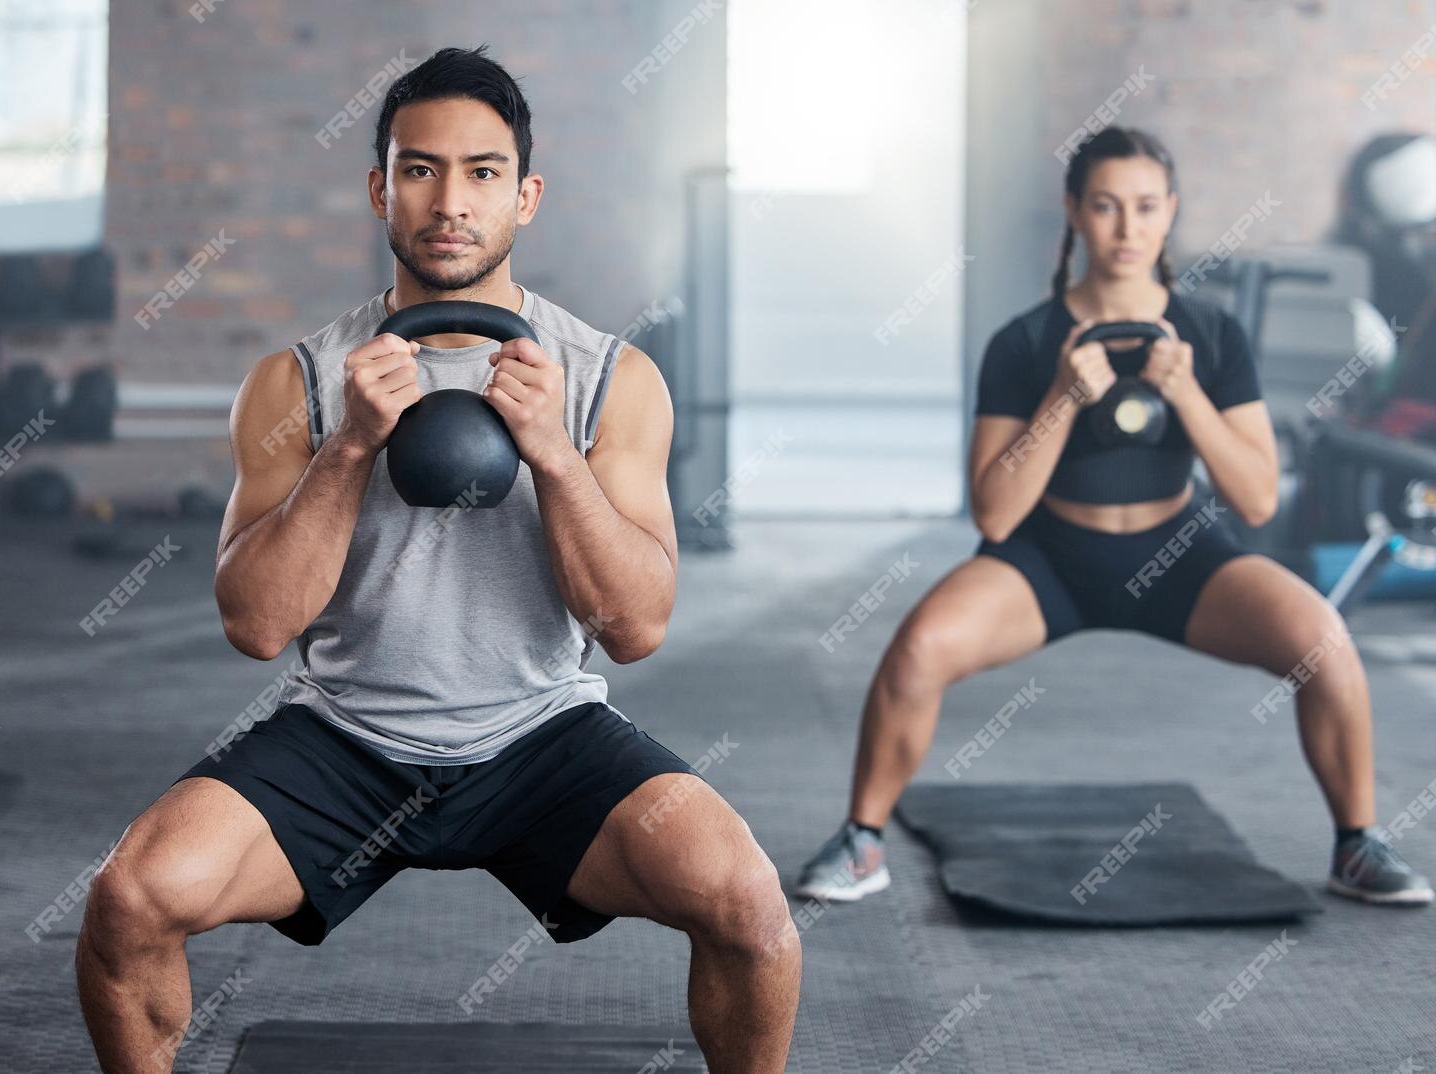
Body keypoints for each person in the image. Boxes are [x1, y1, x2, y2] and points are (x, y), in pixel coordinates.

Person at [76, 47, 800, 1072]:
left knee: (748, 908)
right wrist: (352, 446)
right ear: (379, 188)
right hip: (343, 736)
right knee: (129, 899)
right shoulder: (297, 383)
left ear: (526, 195)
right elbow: (255, 625)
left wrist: (550, 449)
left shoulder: (606, 378)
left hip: (540, 733)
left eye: (482, 172)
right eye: (418, 170)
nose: (449, 201)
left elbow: (635, 629)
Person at [793, 126, 1432, 908]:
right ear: (1074, 212)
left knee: (1323, 643)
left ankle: (1356, 845)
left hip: (1182, 555)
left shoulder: (1211, 335)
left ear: (1169, 213)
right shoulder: (1024, 343)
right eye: (1105, 206)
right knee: (920, 649)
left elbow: (1259, 499)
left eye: (1144, 207)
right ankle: (862, 841)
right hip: (1050, 560)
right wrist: (1063, 395)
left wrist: (1188, 392)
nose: (1126, 229)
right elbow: (995, 514)